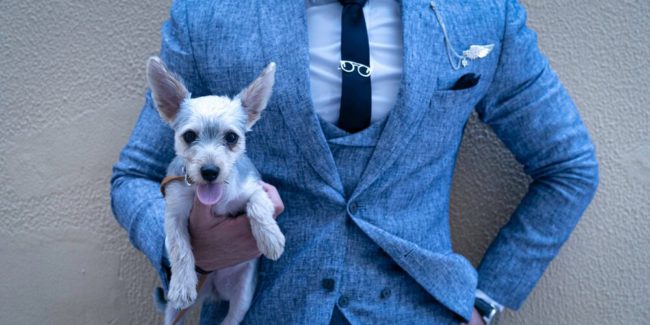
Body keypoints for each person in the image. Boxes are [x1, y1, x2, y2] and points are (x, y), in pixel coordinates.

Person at [110, 0, 599, 324]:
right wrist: (191, 254)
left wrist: (484, 302)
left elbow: (569, 166)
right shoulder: (209, 14)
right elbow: (133, 175)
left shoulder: (481, 11)